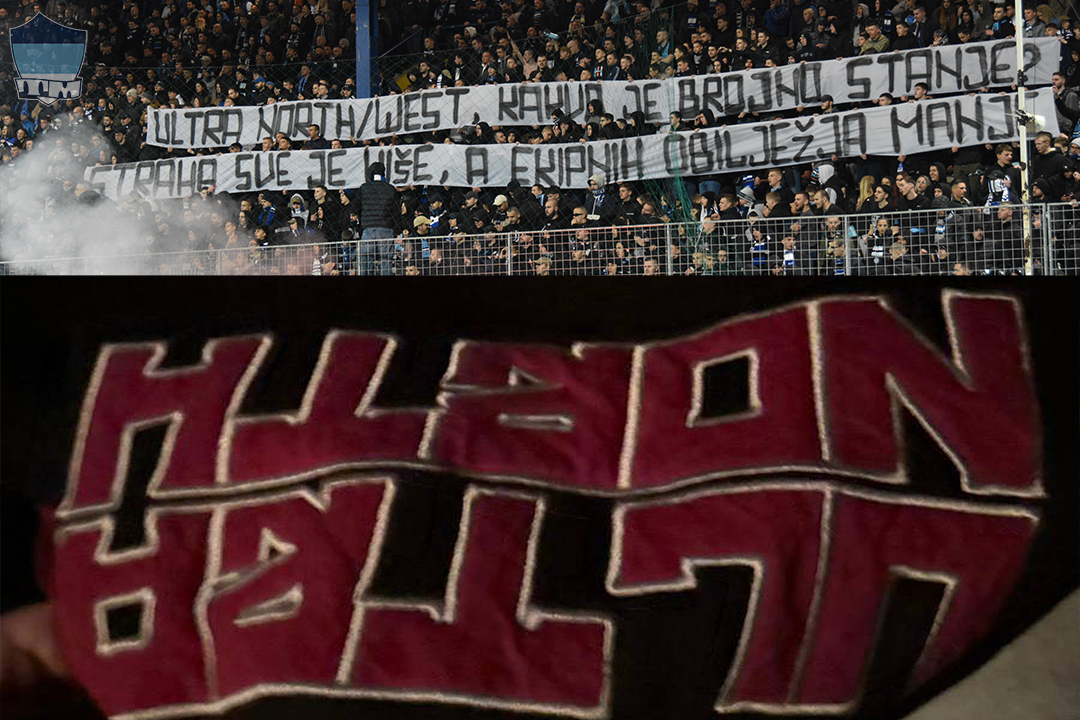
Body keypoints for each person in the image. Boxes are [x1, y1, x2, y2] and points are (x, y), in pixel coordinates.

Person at [357, 162, 398, 275]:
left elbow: (356, 207)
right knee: (386, 261)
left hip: (368, 228)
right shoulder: (390, 189)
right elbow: (396, 212)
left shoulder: (364, 188)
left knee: (366, 261)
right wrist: (397, 229)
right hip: (385, 228)